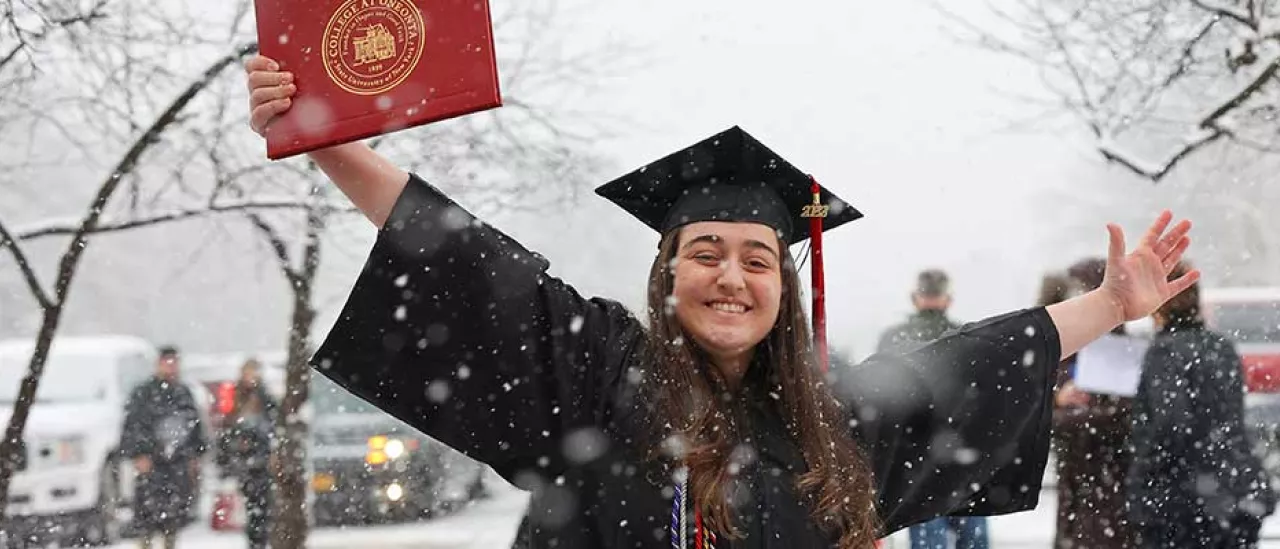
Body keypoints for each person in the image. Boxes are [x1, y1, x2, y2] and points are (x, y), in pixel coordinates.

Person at [244, 54, 1198, 549]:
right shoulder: (597, 370)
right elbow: (471, 262)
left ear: (786, 287)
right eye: (705, 252)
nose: (732, 277)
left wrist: (1111, 305)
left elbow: (976, 361)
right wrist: (328, 143)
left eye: (759, 258)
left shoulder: (837, 423)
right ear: (667, 275)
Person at [1127, 261, 1276, 548]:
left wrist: (1144, 468)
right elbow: (1230, 416)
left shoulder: (1165, 352)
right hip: (1234, 489)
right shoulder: (1221, 346)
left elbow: (1171, 424)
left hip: (1183, 502)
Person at [877, 270, 989, 549]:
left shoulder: (895, 339)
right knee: (966, 537)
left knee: (934, 539)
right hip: (952, 454)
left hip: (922, 458)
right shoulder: (967, 335)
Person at [1047, 259, 1137, 548]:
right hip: (1075, 484)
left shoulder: (1121, 353)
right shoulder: (1065, 350)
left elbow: (1125, 416)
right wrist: (1057, 400)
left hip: (1111, 486)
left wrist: (1076, 415)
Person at [121, 345, 207, 549]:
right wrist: (139, 453)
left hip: (177, 463)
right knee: (147, 514)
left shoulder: (183, 393)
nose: (171, 368)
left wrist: (195, 455)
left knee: (174, 513)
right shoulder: (144, 393)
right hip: (152, 462)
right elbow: (134, 425)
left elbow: (194, 425)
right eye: (167, 363)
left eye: (174, 363)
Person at [216, 359, 277, 549]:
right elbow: (226, 428)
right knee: (251, 508)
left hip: (260, 460)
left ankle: (259, 541)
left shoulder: (264, 397)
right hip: (243, 462)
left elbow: (273, 425)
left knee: (261, 508)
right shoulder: (235, 396)